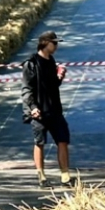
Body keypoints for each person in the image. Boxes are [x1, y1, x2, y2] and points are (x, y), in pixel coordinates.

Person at [21, 31, 72, 187]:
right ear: (44, 43)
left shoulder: (51, 61)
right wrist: (33, 107)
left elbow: (53, 86)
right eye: (54, 43)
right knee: (40, 142)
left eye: (56, 43)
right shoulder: (31, 64)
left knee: (63, 140)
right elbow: (26, 89)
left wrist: (60, 76)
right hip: (39, 111)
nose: (56, 46)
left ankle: (65, 175)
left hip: (55, 110)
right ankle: (41, 176)